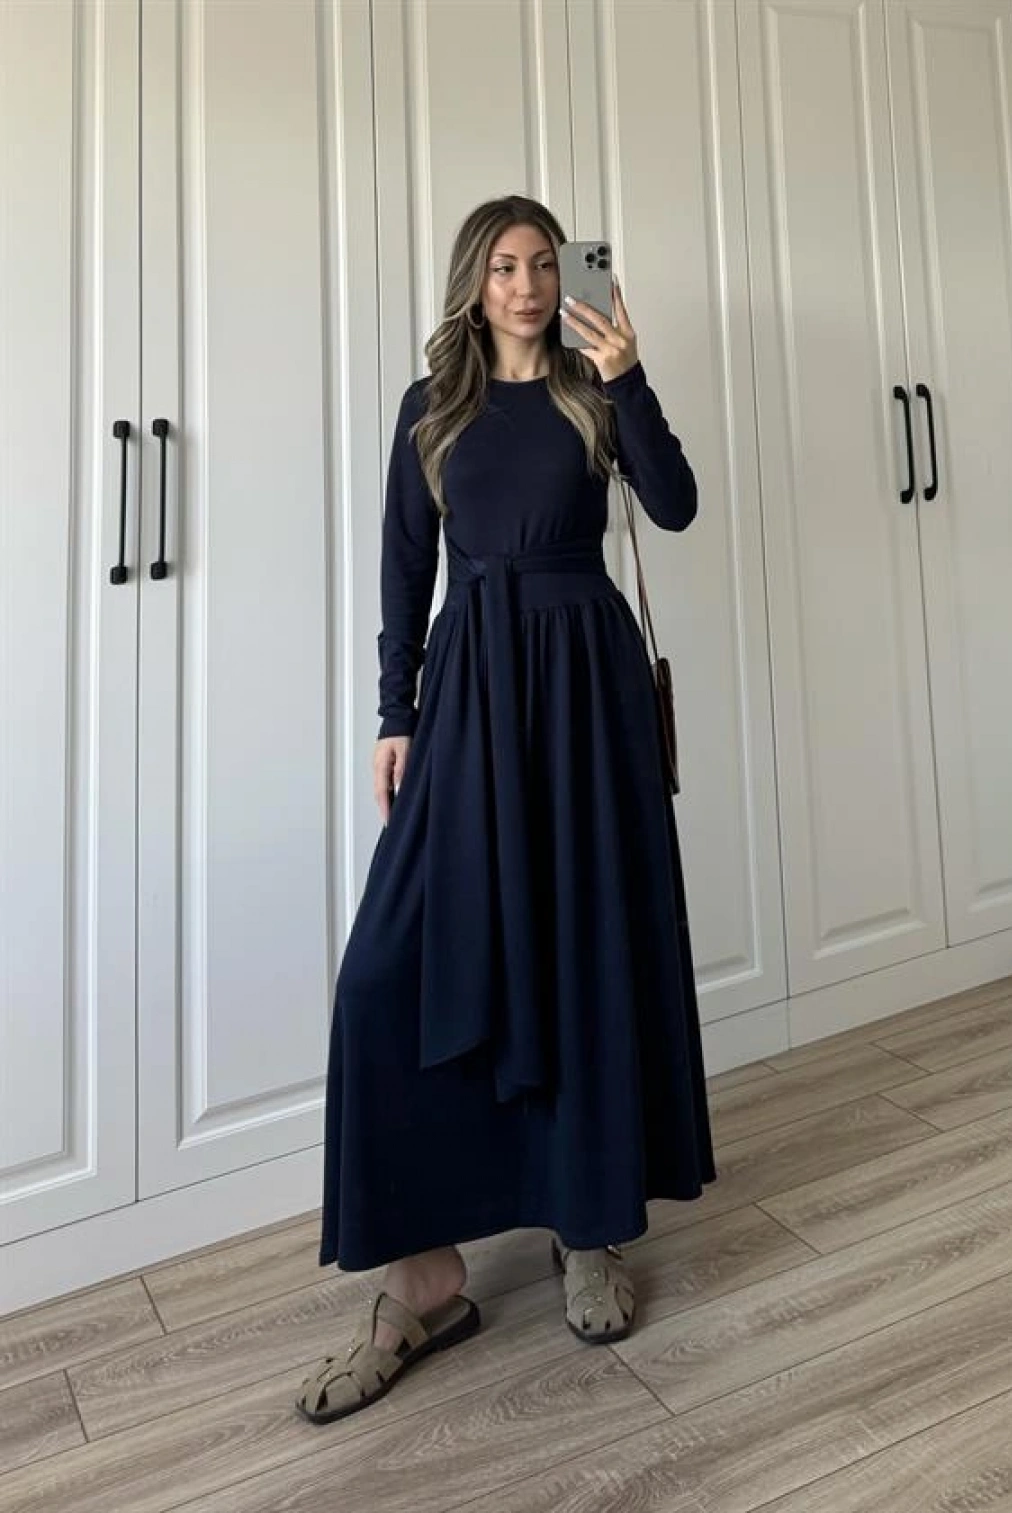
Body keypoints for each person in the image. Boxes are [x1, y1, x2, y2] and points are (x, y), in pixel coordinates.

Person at [296, 194, 715, 1425]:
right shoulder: (433, 407)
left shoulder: (595, 392)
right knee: (386, 973)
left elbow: (677, 505)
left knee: (583, 951)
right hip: (472, 693)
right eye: (504, 266)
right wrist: (396, 710)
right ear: (473, 284)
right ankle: (426, 1282)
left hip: (587, 689)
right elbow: (403, 564)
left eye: (543, 263)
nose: (527, 285)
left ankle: (589, 1225)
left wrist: (629, 376)